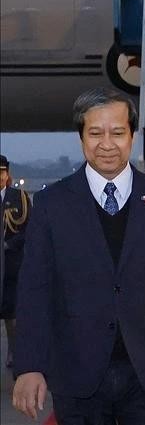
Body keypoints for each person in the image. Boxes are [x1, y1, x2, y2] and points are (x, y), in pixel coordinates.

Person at [12, 87, 145, 422]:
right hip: (77, 374)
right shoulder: (52, 205)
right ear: (81, 138)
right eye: (95, 133)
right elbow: (35, 291)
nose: (107, 144)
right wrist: (29, 366)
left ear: (132, 136)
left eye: (118, 132)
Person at [0, 155, 31, 369]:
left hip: (11, 263)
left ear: (7, 174)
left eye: (1, 172)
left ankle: (14, 350)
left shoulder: (18, 197)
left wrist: (9, 245)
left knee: (12, 314)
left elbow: (29, 228)